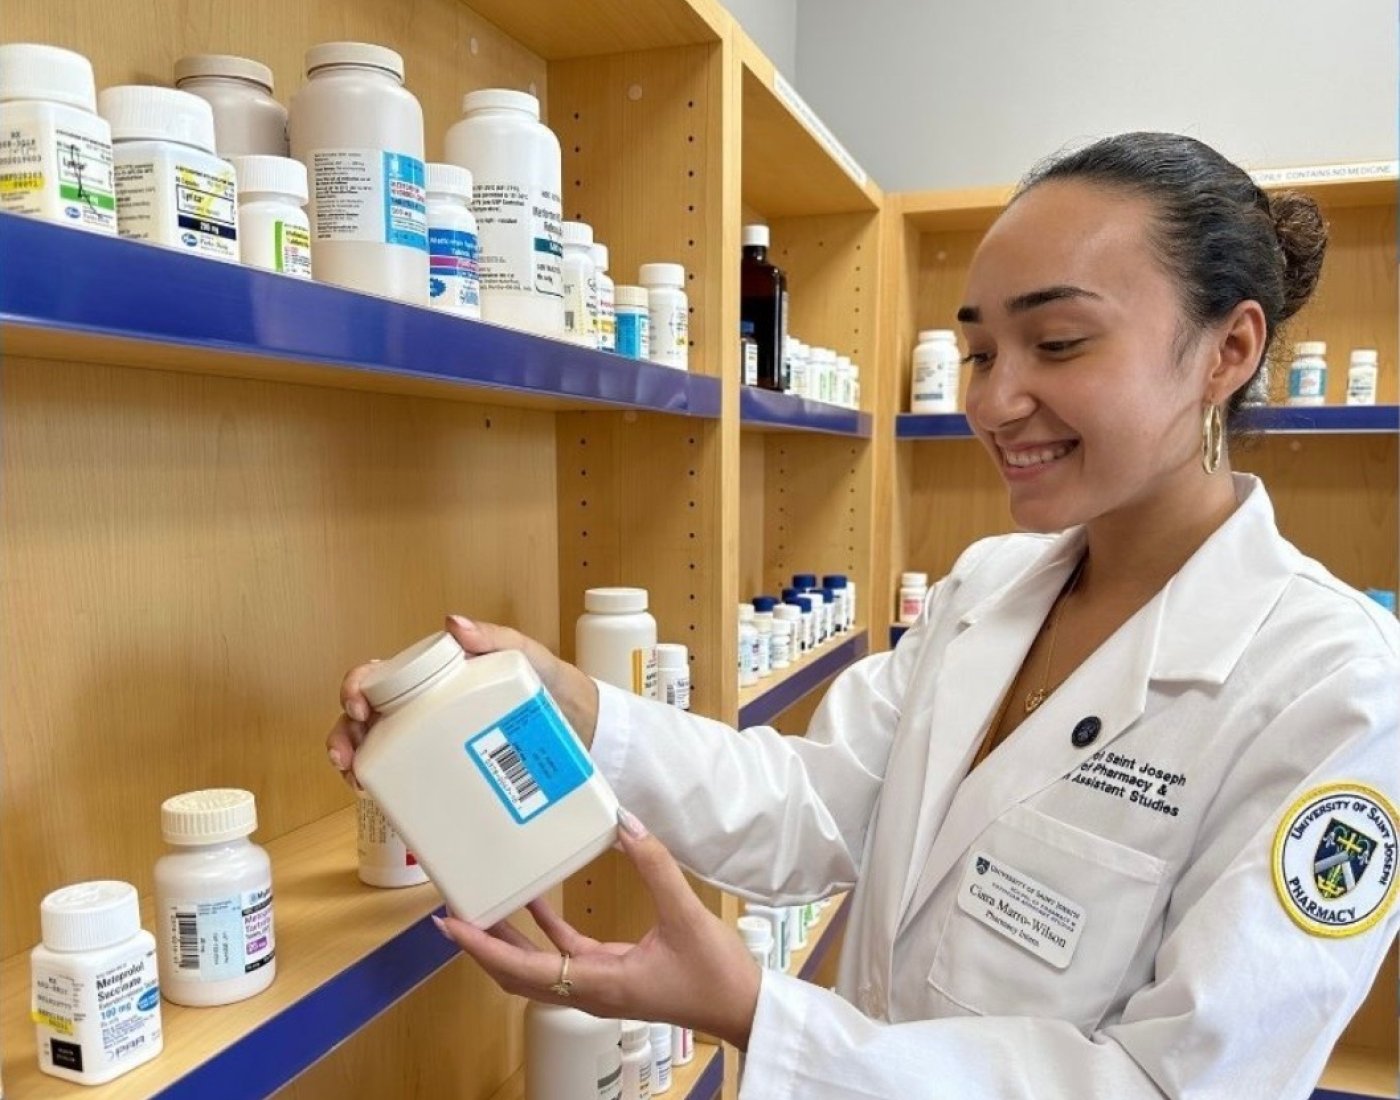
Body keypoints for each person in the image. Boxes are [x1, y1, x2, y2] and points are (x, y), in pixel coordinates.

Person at [327, 132, 1399, 1098]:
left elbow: (1176, 1086)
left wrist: (752, 1010)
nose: (990, 398)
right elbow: (815, 806)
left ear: (1227, 349)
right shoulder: (988, 586)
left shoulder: (1333, 686)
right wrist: (563, 701)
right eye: (979, 351)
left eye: (1058, 342)